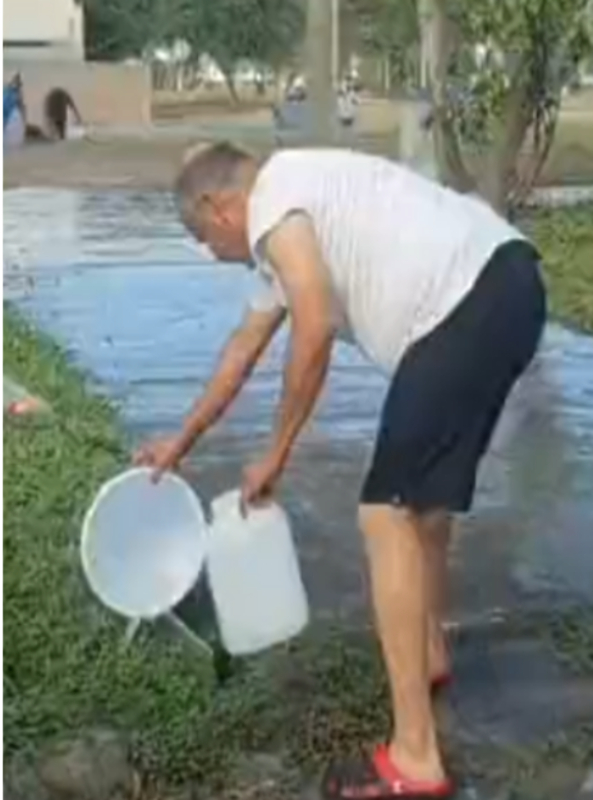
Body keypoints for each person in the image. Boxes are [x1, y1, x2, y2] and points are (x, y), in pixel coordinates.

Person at [134, 142, 545, 799]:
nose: (210, 253)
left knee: (384, 515)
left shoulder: (275, 203)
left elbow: (316, 325)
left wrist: (277, 452)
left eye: (203, 238)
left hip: (463, 305)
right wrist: (180, 442)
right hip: (511, 286)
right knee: (421, 506)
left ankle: (416, 759)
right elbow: (242, 349)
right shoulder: (291, 212)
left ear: (220, 208)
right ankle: (429, 652)